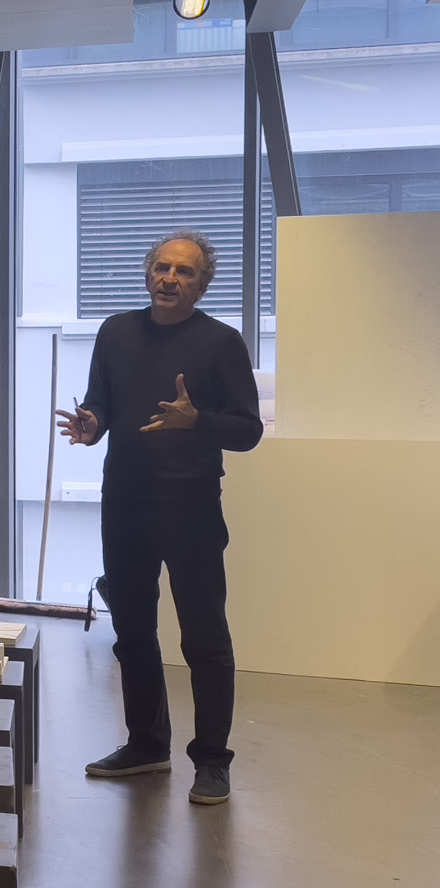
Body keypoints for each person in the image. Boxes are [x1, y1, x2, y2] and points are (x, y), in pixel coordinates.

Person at [56, 228, 262, 805]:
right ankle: (147, 745)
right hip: (124, 502)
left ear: (202, 285)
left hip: (191, 507)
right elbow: (101, 401)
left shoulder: (221, 343)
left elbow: (248, 431)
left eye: (184, 271)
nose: (170, 278)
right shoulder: (115, 332)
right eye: (163, 267)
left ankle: (212, 761)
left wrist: (197, 420)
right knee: (132, 633)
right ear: (148, 273)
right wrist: (92, 423)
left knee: (204, 637)